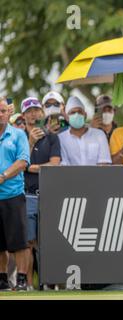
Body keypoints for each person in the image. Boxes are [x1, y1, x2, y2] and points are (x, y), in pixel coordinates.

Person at [21, 97, 61, 290]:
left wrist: (31, 167)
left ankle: (48, 283)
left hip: (47, 194)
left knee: (47, 241)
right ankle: (29, 284)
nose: (33, 114)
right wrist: (30, 142)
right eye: (29, 111)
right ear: (23, 115)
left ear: (42, 113)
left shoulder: (52, 137)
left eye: (36, 110)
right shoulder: (19, 137)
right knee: (29, 242)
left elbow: (54, 165)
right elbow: (19, 164)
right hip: (26, 194)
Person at [0, 97, 30, 291]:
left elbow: (23, 161)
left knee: (19, 242)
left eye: (3, 111)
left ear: (9, 113)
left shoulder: (18, 134)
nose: (0, 115)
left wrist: (2, 177)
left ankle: (20, 279)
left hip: (13, 195)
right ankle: (2, 279)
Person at [58, 96, 111, 165]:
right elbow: (64, 166)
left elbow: (104, 163)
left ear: (85, 115)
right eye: (72, 112)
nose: (76, 115)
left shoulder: (99, 135)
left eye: (79, 111)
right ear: (67, 118)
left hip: (98, 175)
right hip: (71, 176)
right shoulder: (61, 138)